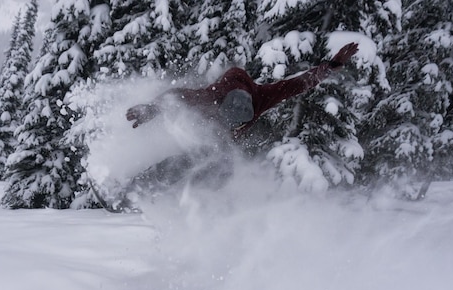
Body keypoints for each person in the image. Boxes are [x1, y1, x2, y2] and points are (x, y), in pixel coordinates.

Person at [118, 42, 359, 208]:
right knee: (190, 162)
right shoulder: (211, 95)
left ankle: (191, 206)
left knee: (223, 170)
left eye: (239, 123)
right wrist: (151, 108)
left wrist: (331, 66)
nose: (234, 126)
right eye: (230, 121)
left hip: (224, 148)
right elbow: (176, 96)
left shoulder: (261, 97)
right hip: (208, 140)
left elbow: (297, 84)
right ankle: (131, 192)